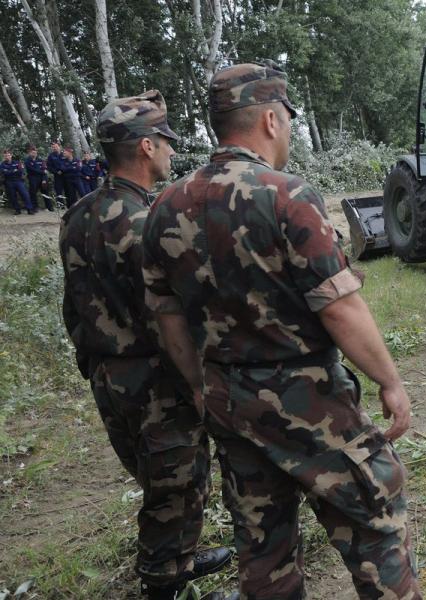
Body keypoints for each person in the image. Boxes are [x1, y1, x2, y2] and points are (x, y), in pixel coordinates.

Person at [142, 62, 421, 600]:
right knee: (374, 523)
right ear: (271, 120)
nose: (289, 130)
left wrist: (200, 386)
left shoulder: (163, 207)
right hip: (308, 400)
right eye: (288, 121)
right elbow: (339, 308)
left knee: (262, 549)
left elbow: (167, 317)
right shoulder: (286, 195)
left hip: (229, 400)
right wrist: (389, 380)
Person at [59, 91, 236, 600]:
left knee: (158, 476)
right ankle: (164, 584)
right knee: (174, 486)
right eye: (164, 142)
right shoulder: (149, 221)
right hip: (154, 377)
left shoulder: (78, 215)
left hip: (107, 374)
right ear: (143, 147)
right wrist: (202, 378)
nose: (171, 153)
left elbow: (74, 303)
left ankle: (179, 559)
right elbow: (172, 313)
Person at [1, 149, 34, 215]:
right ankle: (17, 210)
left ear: (11, 155)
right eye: (5, 155)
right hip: (9, 182)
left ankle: (29, 209)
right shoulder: (2, 164)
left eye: (8, 155)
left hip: (19, 181)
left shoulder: (17, 162)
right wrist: (14, 170)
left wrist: (9, 171)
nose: (7, 157)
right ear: (4, 156)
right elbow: (4, 173)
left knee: (25, 195)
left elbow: (20, 171)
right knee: (12, 197)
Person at [24, 146, 51, 211]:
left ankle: (49, 207)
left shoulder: (41, 160)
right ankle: (35, 207)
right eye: (32, 152)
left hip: (42, 178)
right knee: (33, 193)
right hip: (32, 178)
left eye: (35, 152)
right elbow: (32, 170)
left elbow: (45, 170)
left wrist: (44, 179)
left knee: (45, 192)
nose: (34, 154)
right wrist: (42, 171)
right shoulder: (27, 161)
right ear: (30, 153)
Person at [47, 141, 65, 207]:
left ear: (59, 146)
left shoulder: (64, 154)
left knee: (68, 189)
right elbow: (49, 167)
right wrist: (56, 172)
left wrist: (63, 170)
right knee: (58, 190)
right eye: (53, 147)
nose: (55, 148)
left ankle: (70, 204)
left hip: (66, 174)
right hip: (57, 175)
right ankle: (60, 205)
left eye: (56, 147)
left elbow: (67, 163)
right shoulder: (51, 156)